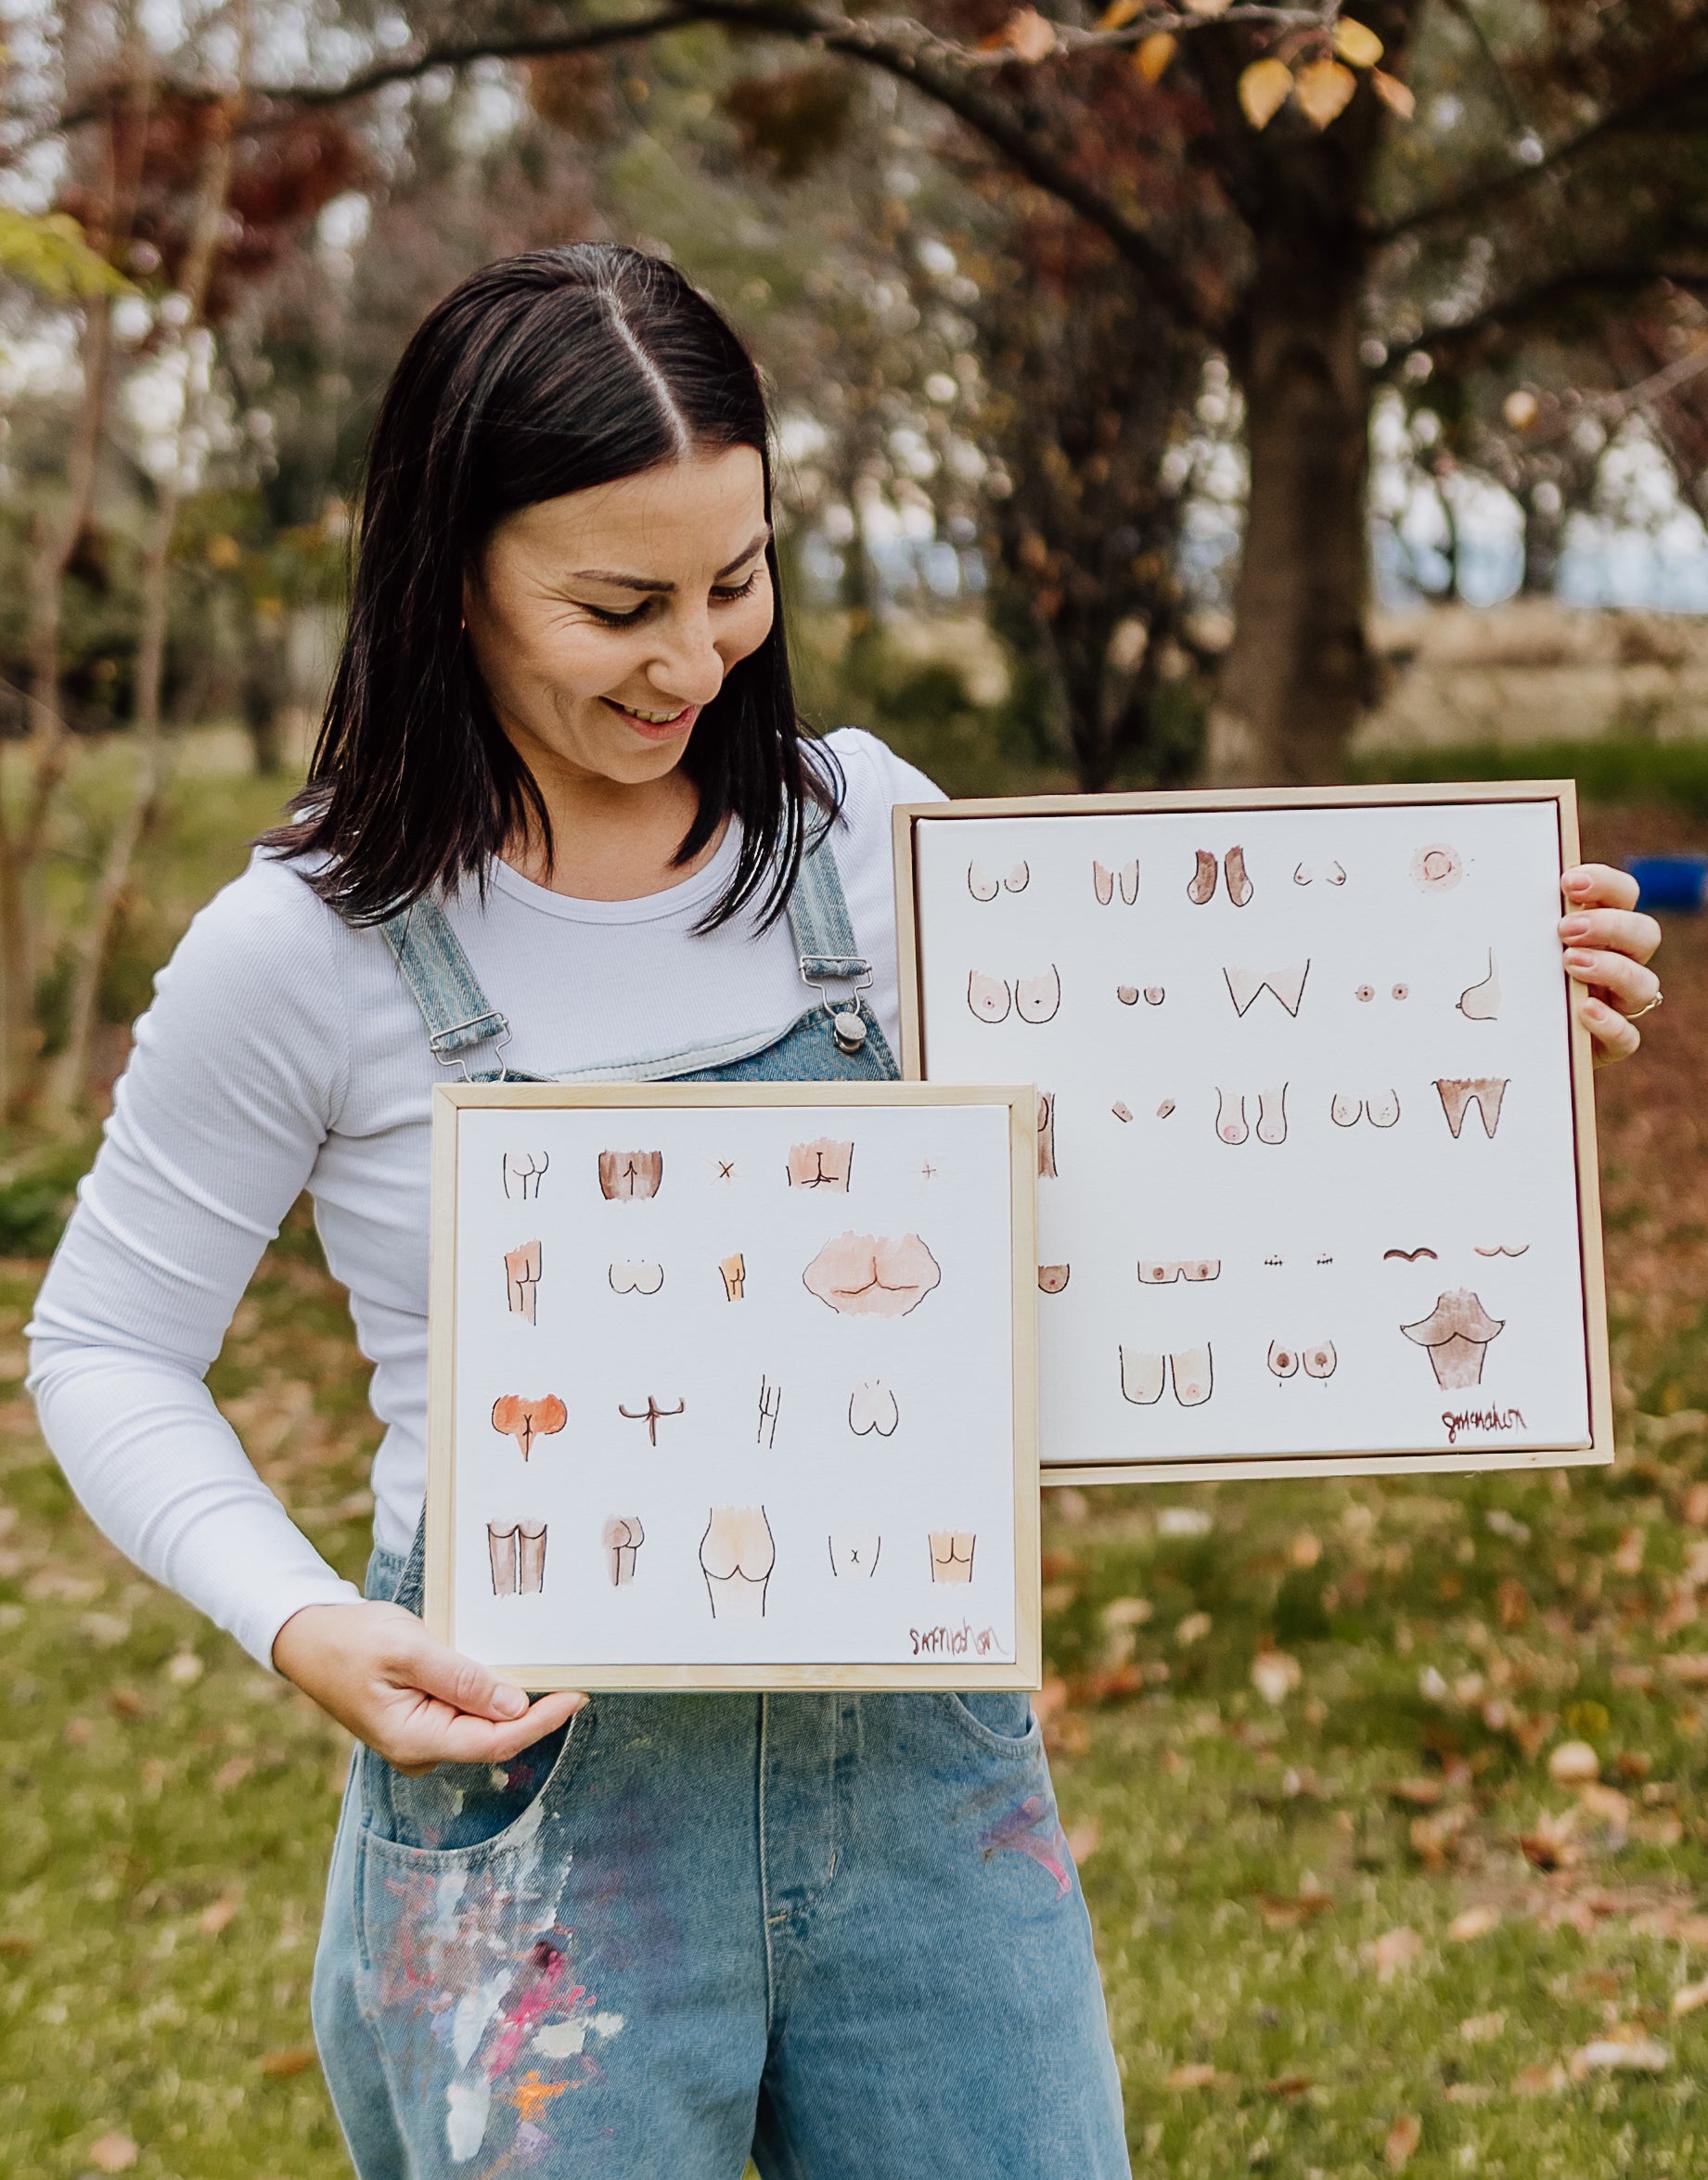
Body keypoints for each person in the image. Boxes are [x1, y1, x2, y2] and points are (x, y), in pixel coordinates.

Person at [25, 247, 1662, 2180]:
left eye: (737, 582)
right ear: (446, 572)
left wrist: (1447, 999)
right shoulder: (295, 954)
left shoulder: (868, 836)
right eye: (617, 604)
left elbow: (1140, 1166)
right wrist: (299, 1622)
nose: (693, 660)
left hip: (928, 1806)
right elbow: (103, 1345)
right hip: (545, 1816)